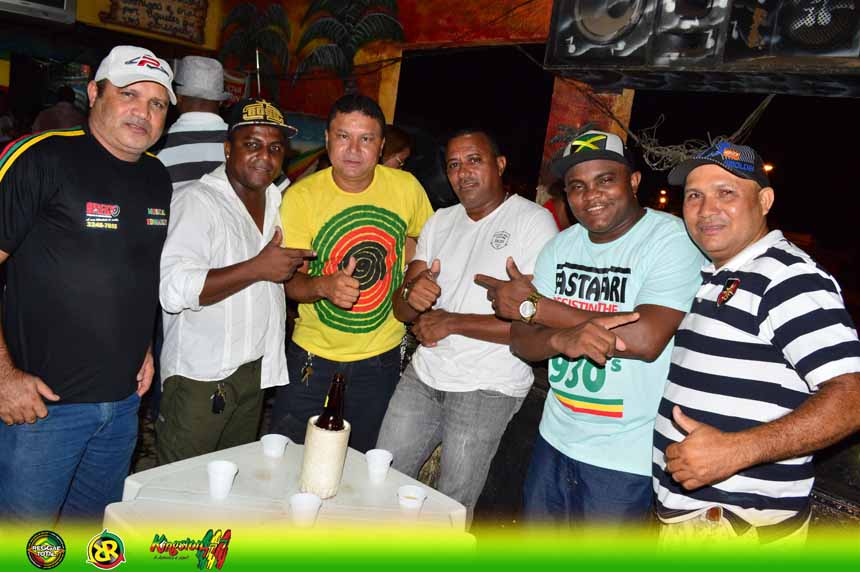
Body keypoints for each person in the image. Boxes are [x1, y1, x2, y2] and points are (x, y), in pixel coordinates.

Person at [477, 129, 704, 526]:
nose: (591, 195)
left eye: (605, 180)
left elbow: (644, 339)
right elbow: (521, 340)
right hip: (554, 436)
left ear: (634, 181)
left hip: (624, 454)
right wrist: (560, 338)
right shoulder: (561, 247)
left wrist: (539, 308)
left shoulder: (671, 240)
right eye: (577, 186)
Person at [0, 45, 175, 522]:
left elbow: (134, 269)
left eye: (157, 103)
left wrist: (143, 347)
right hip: (42, 407)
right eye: (129, 95)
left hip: (121, 406)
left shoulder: (157, 177)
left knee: (90, 536)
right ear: (94, 93)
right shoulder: (43, 158)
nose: (143, 112)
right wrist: (4, 377)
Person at [653, 142, 860, 544]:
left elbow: (851, 396)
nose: (706, 208)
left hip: (733, 530)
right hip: (698, 520)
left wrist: (737, 450)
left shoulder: (788, 278)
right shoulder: (720, 277)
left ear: (764, 201)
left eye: (726, 192)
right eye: (694, 195)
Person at [376, 129, 557, 522]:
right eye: (453, 165)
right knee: (383, 479)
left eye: (474, 160)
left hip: (487, 387)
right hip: (424, 376)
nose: (463, 172)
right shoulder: (440, 221)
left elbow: (537, 323)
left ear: (500, 165)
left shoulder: (533, 222)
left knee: (451, 506)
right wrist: (413, 295)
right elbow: (401, 310)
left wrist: (451, 322)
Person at [271, 94, 433, 453]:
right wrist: (323, 286)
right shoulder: (301, 197)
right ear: (327, 139)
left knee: (362, 460)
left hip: (381, 357)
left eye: (366, 138)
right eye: (343, 136)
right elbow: (290, 284)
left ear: (381, 145)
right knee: (286, 454)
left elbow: (427, 246)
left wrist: (415, 280)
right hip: (312, 354)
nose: (354, 150)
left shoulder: (406, 188)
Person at [156, 98, 311, 464]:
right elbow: (172, 288)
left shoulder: (278, 200)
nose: (265, 157)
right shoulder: (197, 202)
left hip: (254, 371)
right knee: (180, 485)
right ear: (228, 149)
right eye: (252, 144)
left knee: (230, 478)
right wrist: (257, 267)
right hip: (201, 378)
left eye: (275, 148)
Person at [156, 56, 290, 193]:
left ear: (178, 98)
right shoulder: (247, 141)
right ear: (220, 101)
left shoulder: (156, 146)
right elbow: (284, 192)